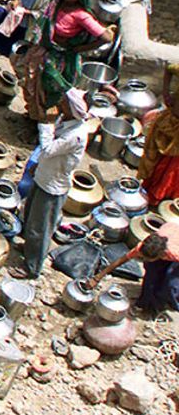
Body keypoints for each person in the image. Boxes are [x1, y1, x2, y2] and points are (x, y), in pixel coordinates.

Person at [12, 89, 93, 279]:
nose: (60, 101)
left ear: (72, 108)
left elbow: (49, 148)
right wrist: (37, 164)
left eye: (64, 100)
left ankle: (32, 267)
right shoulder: (64, 120)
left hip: (52, 186)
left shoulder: (76, 134)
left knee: (40, 228)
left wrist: (46, 123)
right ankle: (28, 247)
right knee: (31, 216)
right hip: (43, 176)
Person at [18, 0, 112, 122]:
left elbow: (106, 37)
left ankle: (43, 123)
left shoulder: (81, 16)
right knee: (33, 84)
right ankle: (33, 115)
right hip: (43, 51)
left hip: (59, 60)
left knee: (50, 91)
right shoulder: (56, 3)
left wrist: (79, 49)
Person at [84, 226, 179, 314]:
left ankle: (167, 303)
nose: (143, 260)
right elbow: (121, 260)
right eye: (142, 257)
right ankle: (145, 303)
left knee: (171, 284)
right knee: (150, 276)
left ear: (159, 256)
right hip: (169, 232)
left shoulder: (174, 253)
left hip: (175, 254)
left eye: (146, 258)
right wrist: (97, 278)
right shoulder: (143, 247)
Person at [139, 65, 179, 206]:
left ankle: (162, 197)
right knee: (156, 161)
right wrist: (166, 93)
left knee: (173, 168)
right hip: (170, 123)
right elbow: (169, 69)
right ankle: (150, 193)